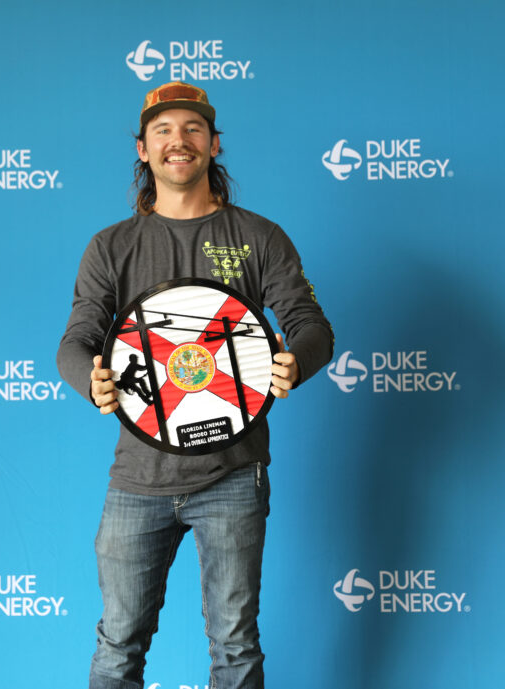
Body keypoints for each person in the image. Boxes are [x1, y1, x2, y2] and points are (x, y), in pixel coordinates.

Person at [56, 81, 333, 689]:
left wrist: (297, 360)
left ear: (213, 143)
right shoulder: (111, 246)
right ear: (142, 148)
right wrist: (92, 380)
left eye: (191, 129)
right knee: (117, 645)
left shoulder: (259, 238)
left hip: (233, 475)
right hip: (138, 480)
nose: (177, 141)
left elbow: (311, 327)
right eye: (163, 130)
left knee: (235, 646)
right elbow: (75, 342)